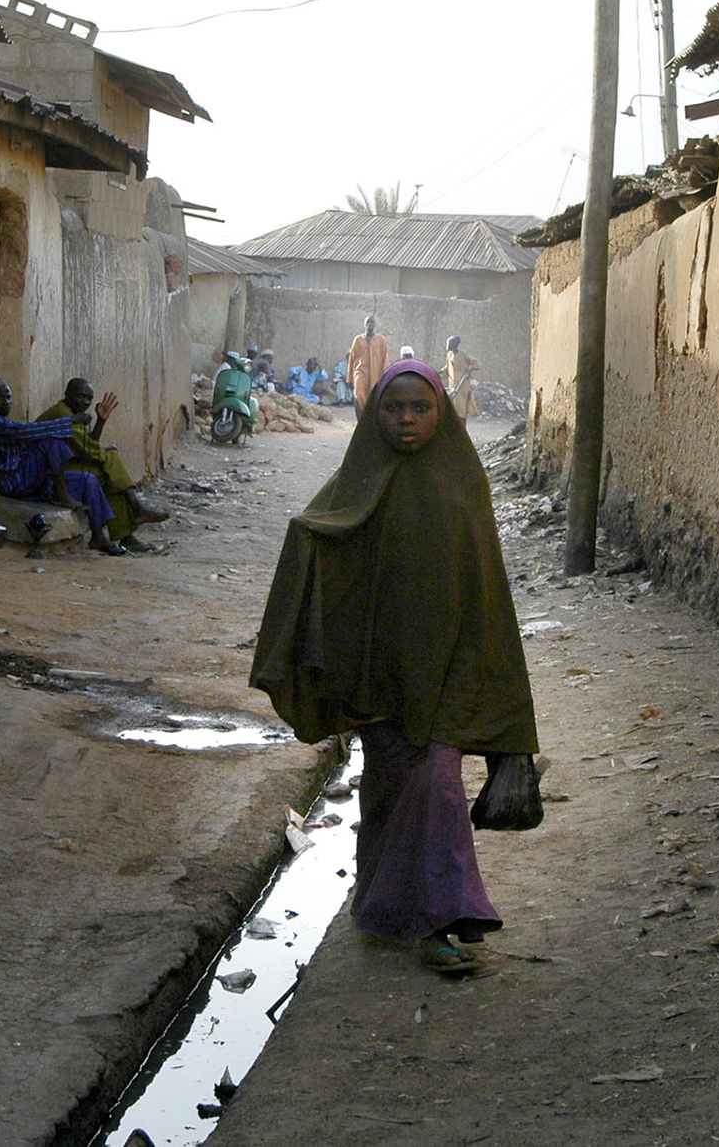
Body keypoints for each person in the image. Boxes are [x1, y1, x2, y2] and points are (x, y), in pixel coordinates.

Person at [251, 359, 539, 977]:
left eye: (420, 408)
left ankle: (440, 922)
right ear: (374, 413)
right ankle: (381, 909)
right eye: (393, 408)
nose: (406, 419)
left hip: (449, 672)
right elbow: (324, 537)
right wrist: (308, 542)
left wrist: (494, 689)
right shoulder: (357, 481)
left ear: (440, 413)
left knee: (436, 784)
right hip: (379, 675)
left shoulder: (464, 484)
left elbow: (486, 591)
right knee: (388, 791)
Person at [0, 378, 127, 556]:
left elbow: (89, 445)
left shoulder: (5, 422)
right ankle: (61, 495)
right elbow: (25, 431)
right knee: (51, 441)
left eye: (8, 398)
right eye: (0, 398)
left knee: (88, 480)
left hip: (37, 479)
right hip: (16, 482)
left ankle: (98, 536)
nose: (6, 403)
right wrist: (69, 421)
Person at [37, 378, 171, 552]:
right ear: (68, 394)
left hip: (63, 466)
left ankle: (128, 530)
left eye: (89, 399)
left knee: (110, 472)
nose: (85, 402)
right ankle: (134, 513)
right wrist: (105, 450)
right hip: (48, 472)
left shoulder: (72, 412)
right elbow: (89, 451)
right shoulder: (63, 414)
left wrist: (101, 420)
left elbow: (87, 444)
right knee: (110, 460)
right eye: (81, 397)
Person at [346, 315, 390, 408]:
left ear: (375, 325)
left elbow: (385, 359)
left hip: (376, 374)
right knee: (358, 396)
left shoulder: (381, 340)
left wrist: (385, 377)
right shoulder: (358, 340)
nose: (370, 324)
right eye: (368, 322)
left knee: (373, 398)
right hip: (360, 373)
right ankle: (360, 420)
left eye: (372, 322)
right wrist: (350, 378)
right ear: (364, 324)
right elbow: (352, 358)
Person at [444, 335, 481, 418]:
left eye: (449, 344)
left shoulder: (464, 355)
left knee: (461, 406)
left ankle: (462, 423)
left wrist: (470, 369)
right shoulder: (449, 355)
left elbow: (476, 363)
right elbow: (447, 367)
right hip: (453, 384)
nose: (447, 346)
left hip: (462, 384)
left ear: (455, 345)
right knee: (454, 405)